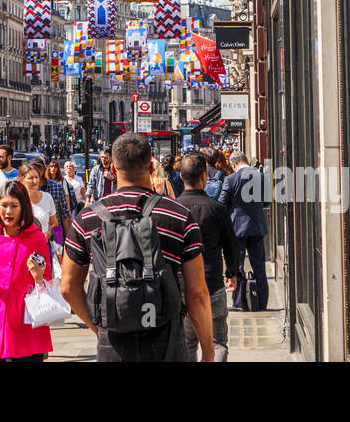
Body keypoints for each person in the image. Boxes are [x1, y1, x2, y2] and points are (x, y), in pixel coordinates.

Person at [61, 133, 214, 362]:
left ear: (113, 168)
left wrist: (100, 327)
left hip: (113, 343)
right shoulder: (179, 216)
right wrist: (208, 352)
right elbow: (197, 293)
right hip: (167, 342)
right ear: (152, 166)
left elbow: (67, 287)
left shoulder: (88, 218)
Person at [0, 179, 54, 361]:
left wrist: (38, 277)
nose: (8, 211)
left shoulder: (36, 238)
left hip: (26, 328)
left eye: (14, 206)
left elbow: (47, 280)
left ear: (23, 207)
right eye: (4, 205)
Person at [176, 153, 241, 362]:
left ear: (181, 176)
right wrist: (231, 272)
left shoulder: (172, 211)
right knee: (218, 342)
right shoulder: (217, 209)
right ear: (204, 176)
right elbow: (231, 246)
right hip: (212, 284)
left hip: (183, 288)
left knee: (187, 344)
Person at [219, 151, 269, 312]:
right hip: (257, 228)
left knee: (237, 266)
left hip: (237, 229)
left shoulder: (230, 179)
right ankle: (262, 302)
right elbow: (267, 202)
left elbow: (222, 204)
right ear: (246, 161)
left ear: (233, 165)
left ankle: (239, 302)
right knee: (259, 267)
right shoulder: (261, 177)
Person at [18, 162, 58, 242]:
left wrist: (49, 233)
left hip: (42, 247)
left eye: (37, 177)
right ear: (21, 180)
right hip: (22, 248)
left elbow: (55, 224)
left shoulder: (47, 197)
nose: (35, 181)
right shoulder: (16, 200)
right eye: (31, 178)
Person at [44, 160, 72, 245]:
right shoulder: (44, 182)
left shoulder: (61, 182)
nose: (53, 169)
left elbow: (66, 197)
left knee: (58, 246)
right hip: (46, 221)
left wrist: (68, 211)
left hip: (57, 220)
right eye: (51, 166)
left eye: (55, 167)